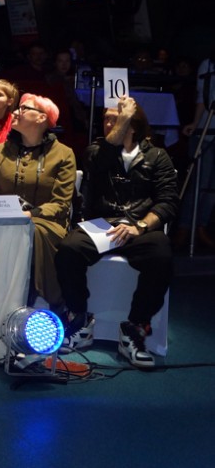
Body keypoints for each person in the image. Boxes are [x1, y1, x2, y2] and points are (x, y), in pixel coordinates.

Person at [54, 96, 177, 368]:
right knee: (68, 250)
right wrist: (121, 123)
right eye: (107, 119)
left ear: (134, 123)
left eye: (117, 119)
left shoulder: (157, 156)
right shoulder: (97, 151)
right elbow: (97, 163)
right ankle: (79, 319)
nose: (109, 123)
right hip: (102, 223)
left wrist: (140, 226)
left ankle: (135, 327)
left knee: (162, 257)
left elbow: (168, 201)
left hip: (139, 226)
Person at [0, 93, 76, 309]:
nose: (16, 112)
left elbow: (60, 203)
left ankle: (37, 300)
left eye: (24, 109)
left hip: (47, 223)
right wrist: (3, 214)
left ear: (42, 118)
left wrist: (29, 215)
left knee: (30, 231)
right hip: (3, 220)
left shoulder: (63, 154)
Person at [178, 51, 215, 249]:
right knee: (200, 182)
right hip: (206, 129)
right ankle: (184, 227)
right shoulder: (208, 64)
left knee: (213, 187)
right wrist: (194, 122)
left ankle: (201, 226)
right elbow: (202, 97)